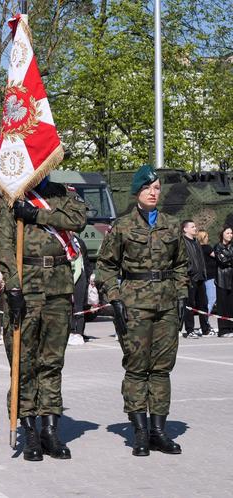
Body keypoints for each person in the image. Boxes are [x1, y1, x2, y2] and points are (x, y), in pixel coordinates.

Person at [97, 164, 188, 457]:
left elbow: (181, 265)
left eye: (157, 187)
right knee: (137, 368)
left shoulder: (171, 225)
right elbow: (106, 266)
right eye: (148, 187)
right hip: (134, 305)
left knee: (162, 369)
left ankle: (159, 432)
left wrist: (182, 294)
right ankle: (139, 432)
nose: (153, 192)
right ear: (137, 191)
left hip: (166, 304)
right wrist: (114, 297)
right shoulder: (121, 226)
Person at [0, 176, 86, 462]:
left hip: (58, 285)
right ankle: (29, 430)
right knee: (24, 362)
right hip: (26, 283)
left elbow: (78, 219)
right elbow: (4, 245)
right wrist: (12, 284)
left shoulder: (64, 193)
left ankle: (50, 430)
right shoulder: (11, 197)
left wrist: (36, 215)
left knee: (52, 362)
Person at [181, 220, 214, 339]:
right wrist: (188, 271)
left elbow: (200, 259)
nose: (195, 228)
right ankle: (190, 330)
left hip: (200, 278)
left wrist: (203, 273)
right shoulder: (182, 242)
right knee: (189, 305)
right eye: (192, 227)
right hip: (189, 278)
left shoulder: (196, 242)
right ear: (185, 229)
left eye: (195, 226)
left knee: (203, 304)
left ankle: (205, 329)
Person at [69, 235, 92, 346]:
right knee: (67, 307)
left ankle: (79, 333)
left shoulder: (79, 242)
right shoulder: (60, 240)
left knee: (79, 307)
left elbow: (86, 262)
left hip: (80, 276)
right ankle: (70, 331)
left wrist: (90, 277)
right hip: (66, 276)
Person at [214, 226, 233, 338]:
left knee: (231, 305)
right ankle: (223, 330)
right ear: (222, 234)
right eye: (227, 233)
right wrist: (229, 259)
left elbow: (227, 260)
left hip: (232, 279)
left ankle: (231, 327)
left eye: (231, 233)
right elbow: (223, 261)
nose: (230, 235)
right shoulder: (218, 247)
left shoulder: (232, 247)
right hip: (221, 280)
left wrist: (228, 259)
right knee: (222, 306)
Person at [197, 229, 217, 316]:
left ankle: (205, 322)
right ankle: (206, 321)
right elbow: (218, 257)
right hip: (210, 277)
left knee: (205, 300)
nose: (208, 238)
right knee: (211, 299)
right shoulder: (207, 248)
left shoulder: (197, 248)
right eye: (206, 236)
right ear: (203, 237)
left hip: (202, 277)